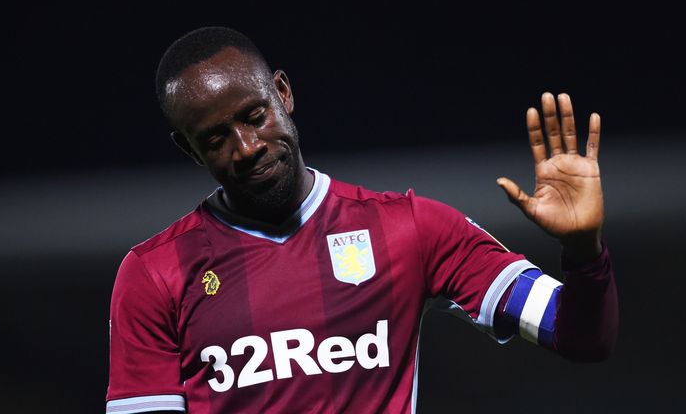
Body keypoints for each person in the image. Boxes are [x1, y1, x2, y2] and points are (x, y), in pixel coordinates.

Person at [105, 27, 618, 414]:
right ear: (188, 149)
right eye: (216, 139)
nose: (248, 148)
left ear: (282, 93)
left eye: (255, 116)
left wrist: (584, 252)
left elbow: (582, 338)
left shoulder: (411, 229)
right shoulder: (155, 275)